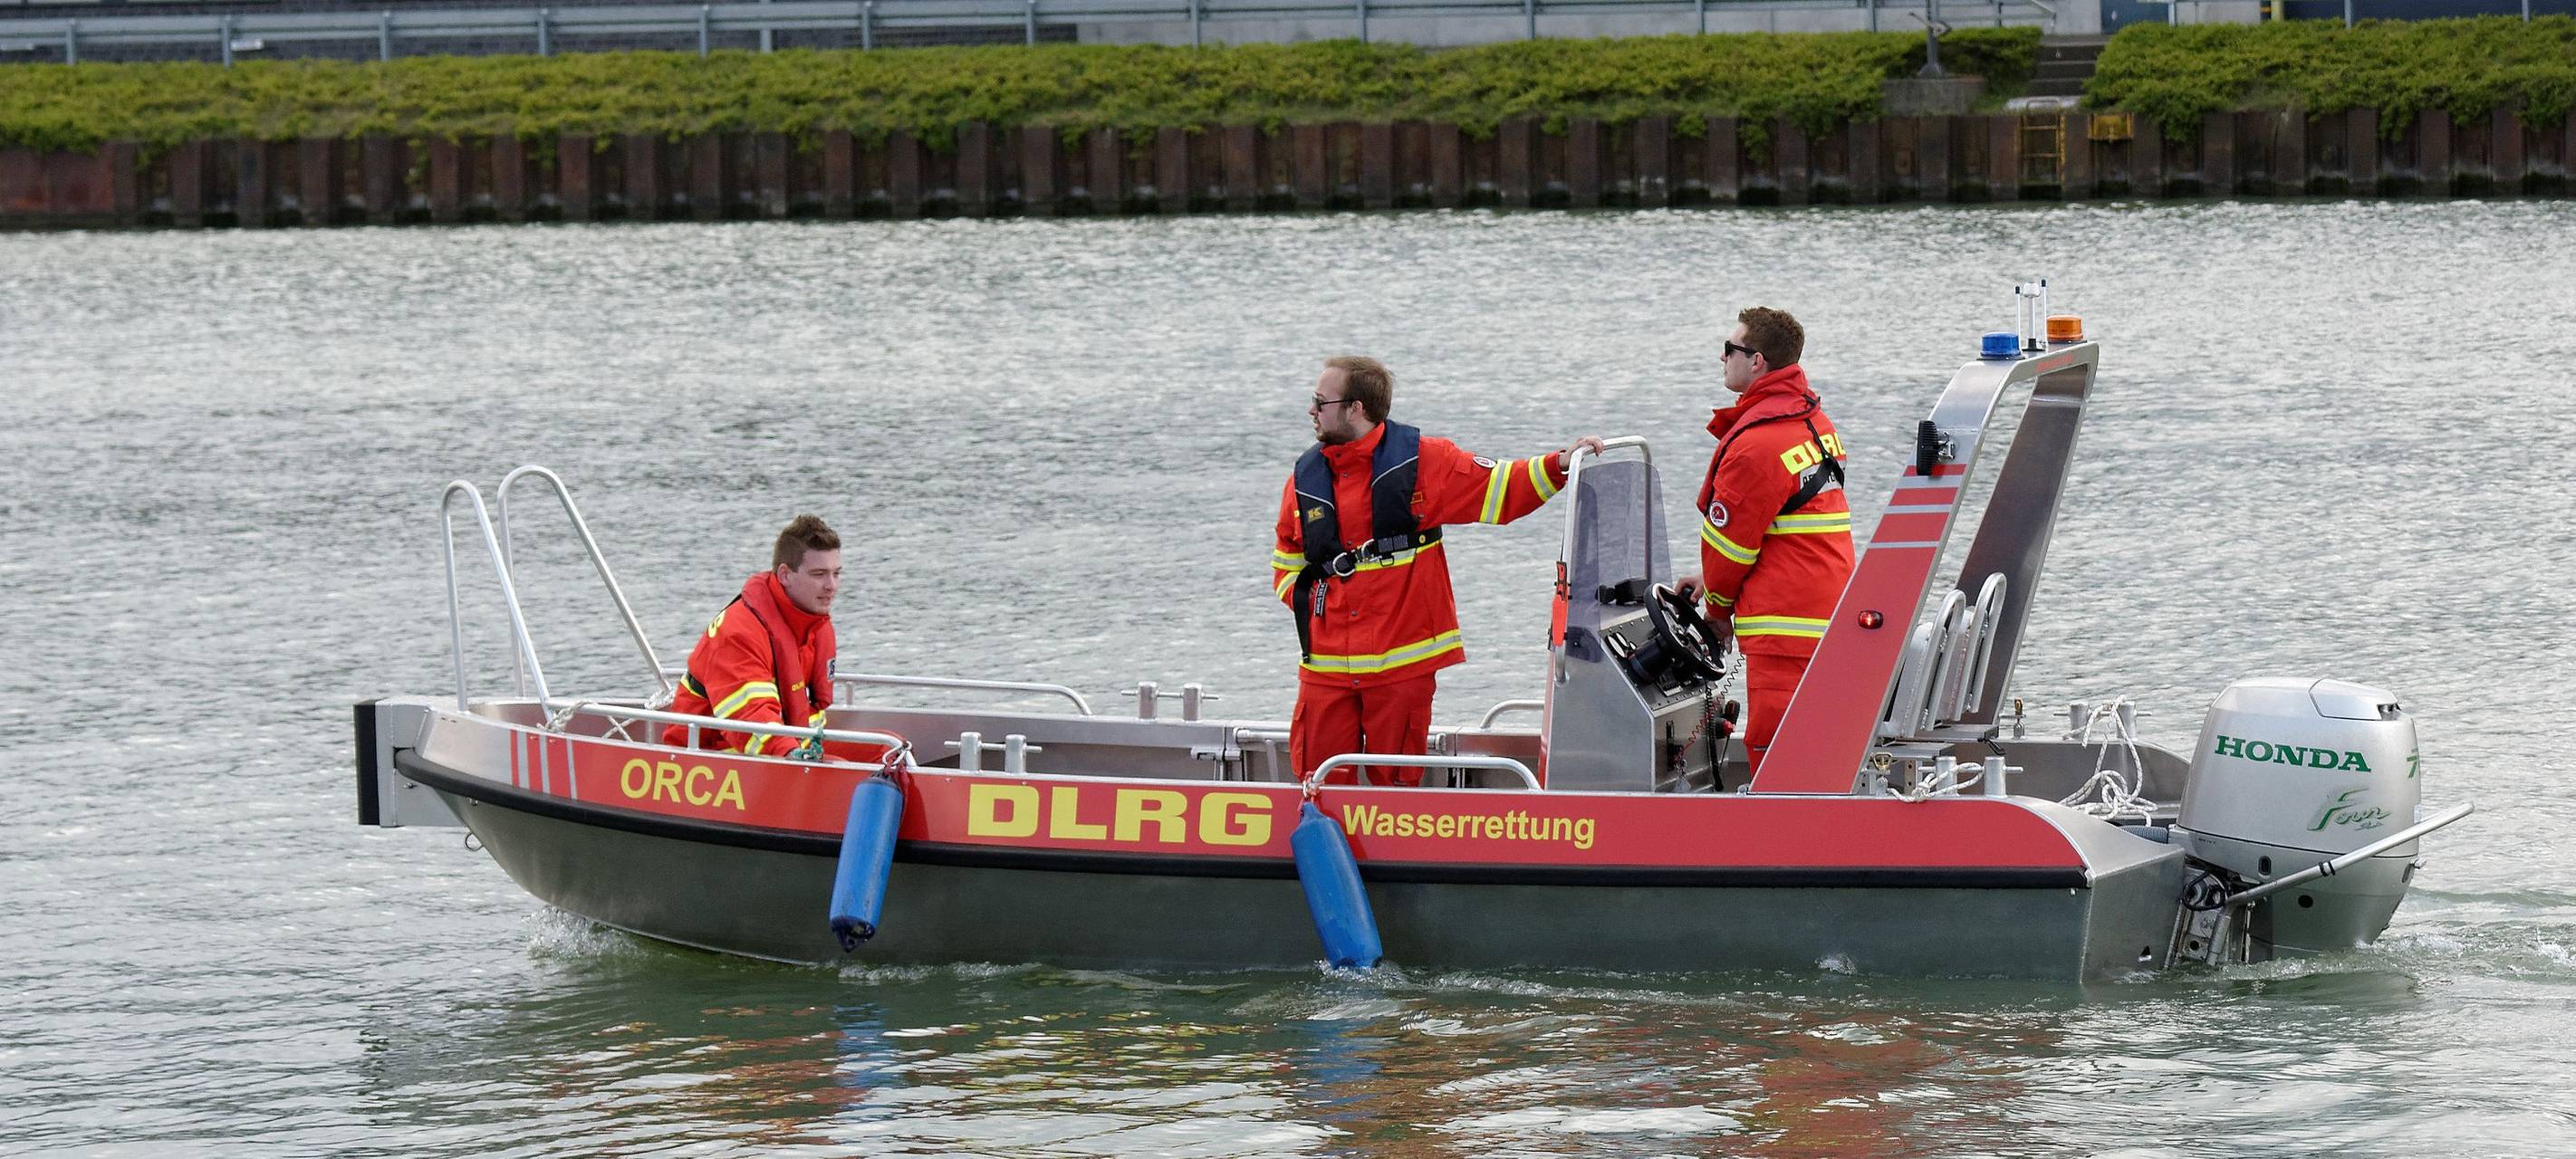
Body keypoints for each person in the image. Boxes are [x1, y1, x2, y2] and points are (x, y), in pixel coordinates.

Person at [1271, 356, 1602, 786]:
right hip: (1325, 666)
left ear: (1356, 408)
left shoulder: (1426, 461)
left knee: (1397, 785)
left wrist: (1561, 463)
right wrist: (1315, 610)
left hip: (1400, 666)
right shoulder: (1305, 477)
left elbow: (1502, 488)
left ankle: (1388, 851)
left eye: (1320, 401)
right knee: (1316, 780)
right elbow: (1286, 561)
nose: (1311, 410)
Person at [1676, 307, 1855, 775]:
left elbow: (1730, 549)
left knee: (1775, 752)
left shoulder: (1757, 444)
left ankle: (1786, 846)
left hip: (1785, 629)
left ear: (1756, 361)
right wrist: (1710, 581)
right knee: (1820, 745)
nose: (1723, 357)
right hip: (1827, 615)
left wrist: (1716, 610)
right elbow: (1785, 526)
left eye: (1730, 349)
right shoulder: (1813, 421)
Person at [659, 514, 844, 758]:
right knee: (853, 772)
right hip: (714, 758)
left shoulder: (811, 625)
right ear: (785, 575)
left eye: (836, 574)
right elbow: (750, 718)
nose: (831, 586)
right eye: (819, 574)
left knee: (889, 751)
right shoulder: (740, 633)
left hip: (788, 750)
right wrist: (793, 753)